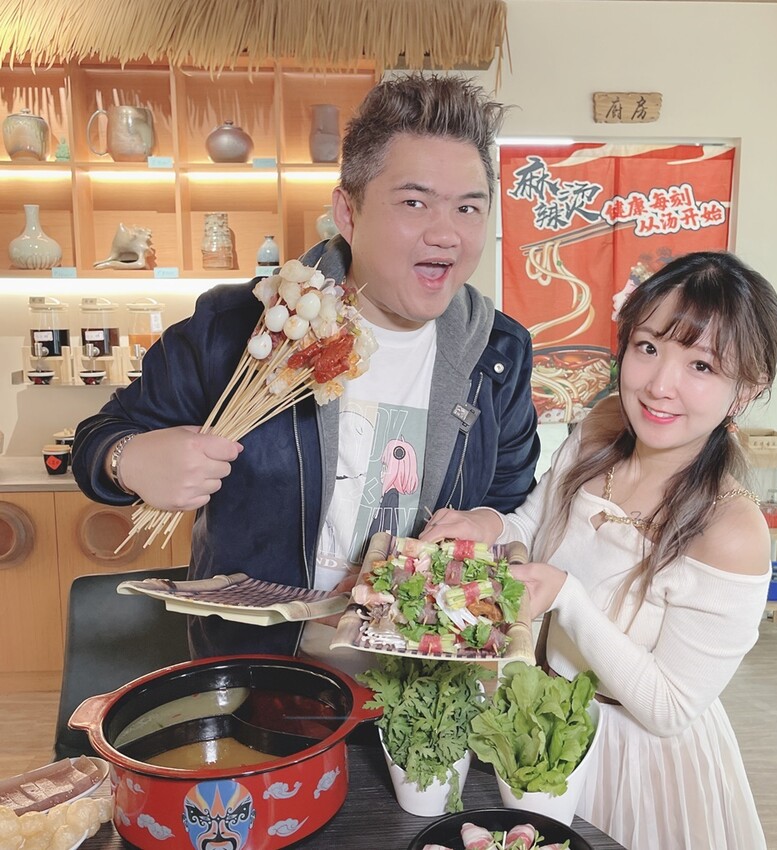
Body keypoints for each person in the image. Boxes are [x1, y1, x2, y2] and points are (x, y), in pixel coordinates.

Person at [71, 74, 541, 661]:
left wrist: (486, 521)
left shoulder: (499, 353)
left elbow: (511, 495)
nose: (446, 233)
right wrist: (129, 459)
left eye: (468, 207)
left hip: (423, 678)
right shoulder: (244, 326)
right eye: (414, 202)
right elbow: (96, 441)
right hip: (260, 672)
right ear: (348, 212)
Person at [420, 251, 777, 850]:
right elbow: (533, 525)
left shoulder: (731, 528)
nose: (659, 385)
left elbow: (669, 706)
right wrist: (488, 524)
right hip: (540, 726)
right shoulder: (603, 426)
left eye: (700, 365)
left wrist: (569, 599)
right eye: (648, 347)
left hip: (640, 768)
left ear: (747, 388)